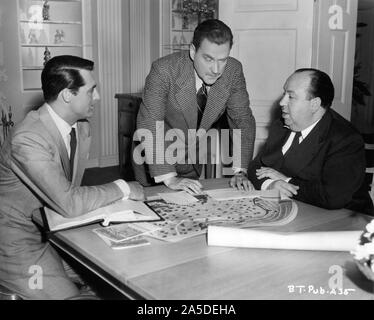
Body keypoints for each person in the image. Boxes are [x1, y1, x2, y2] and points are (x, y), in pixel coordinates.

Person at [0, 55, 144, 299]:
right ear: (68, 95)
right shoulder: (28, 138)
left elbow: (67, 196)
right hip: (17, 244)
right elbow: (69, 201)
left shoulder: (81, 127)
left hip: (55, 229)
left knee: (124, 273)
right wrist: (123, 187)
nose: (97, 97)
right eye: (91, 91)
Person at [135, 19, 256, 194]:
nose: (216, 69)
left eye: (223, 60)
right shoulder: (164, 70)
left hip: (193, 162)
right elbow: (150, 122)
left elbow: (242, 119)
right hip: (156, 163)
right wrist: (169, 177)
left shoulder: (233, 71)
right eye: (208, 59)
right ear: (193, 51)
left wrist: (240, 171)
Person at [247, 68, 373, 215]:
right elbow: (256, 166)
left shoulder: (345, 139)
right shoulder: (281, 125)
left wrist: (287, 182)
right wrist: (271, 184)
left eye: (291, 97)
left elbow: (332, 196)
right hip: (295, 211)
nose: (282, 102)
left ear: (314, 104)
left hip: (346, 221)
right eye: (284, 94)